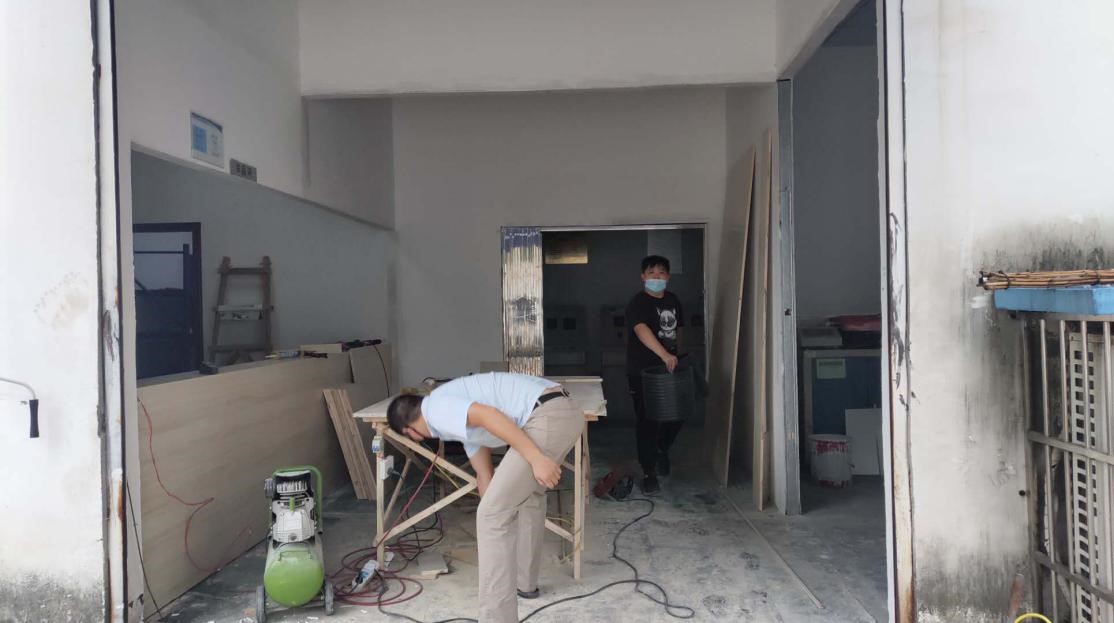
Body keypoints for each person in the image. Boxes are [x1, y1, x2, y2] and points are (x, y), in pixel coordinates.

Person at [386, 372, 584, 623]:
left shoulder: (435, 409)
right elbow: (484, 474)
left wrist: (535, 458)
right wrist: (492, 501)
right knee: (526, 498)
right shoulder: (453, 415)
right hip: (562, 411)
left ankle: (496, 618)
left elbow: (489, 415)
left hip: (547, 415)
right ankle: (525, 584)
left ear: (409, 432)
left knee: (492, 517)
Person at [625, 254, 684, 495]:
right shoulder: (637, 303)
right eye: (651, 273)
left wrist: (680, 356)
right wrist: (664, 354)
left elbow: (680, 329)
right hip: (643, 371)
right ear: (643, 276)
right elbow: (641, 330)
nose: (656, 277)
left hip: (670, 369)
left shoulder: (673, 300)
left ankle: (660, 449)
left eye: (661, 273)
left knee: (678, 414)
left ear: (668, 276)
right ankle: (649, 472)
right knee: (647, 420)